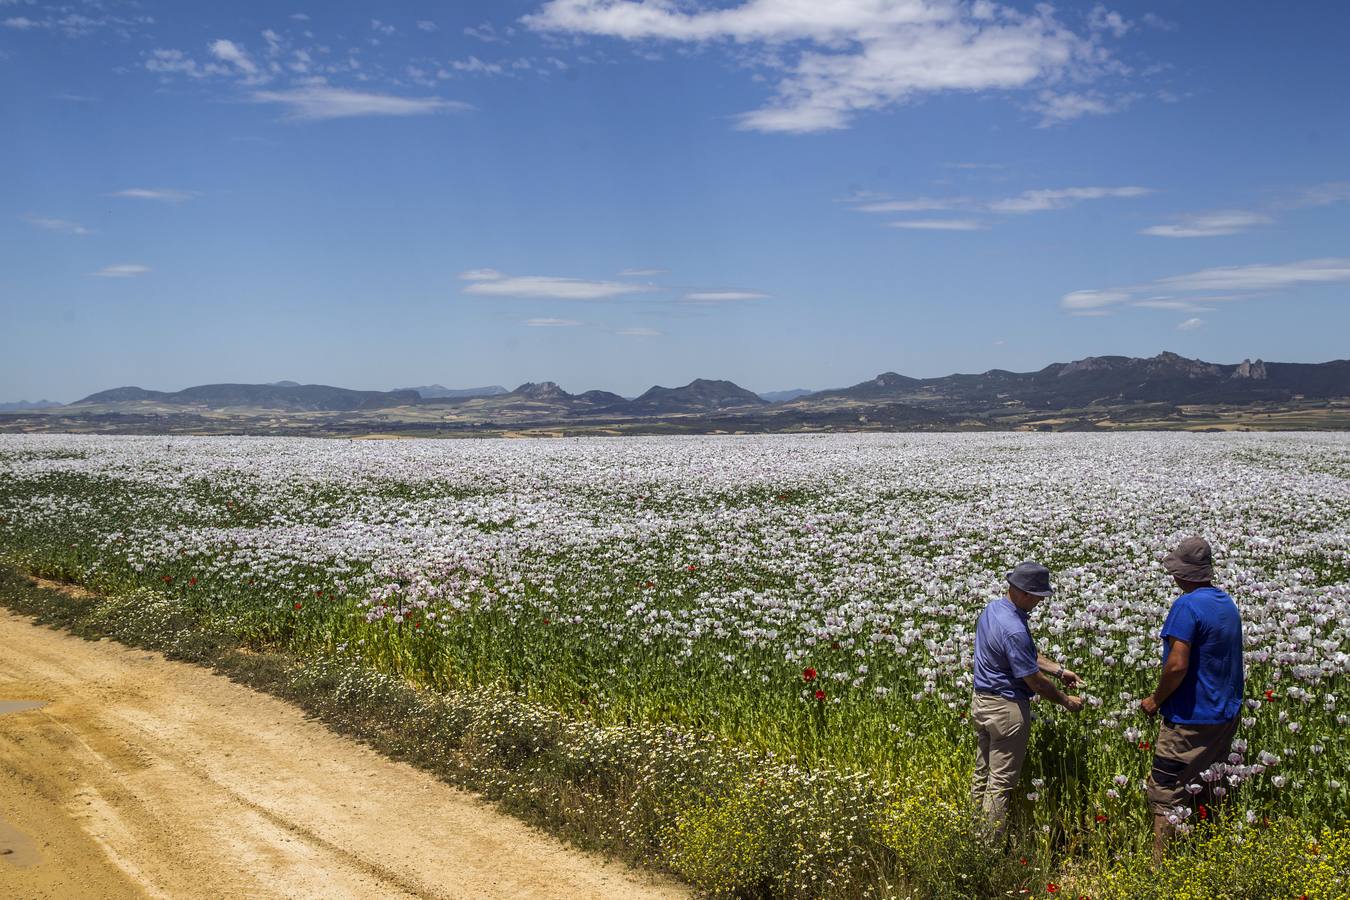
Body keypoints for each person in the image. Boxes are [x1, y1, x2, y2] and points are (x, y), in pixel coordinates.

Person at [1140, 536, 1244, 864]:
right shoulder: (1226, 603)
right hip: (1223, 716)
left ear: (1183, 573)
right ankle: (1207, 859)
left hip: (1189, 718)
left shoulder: (1186, 606)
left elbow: (1177, 664)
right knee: (1210, 788)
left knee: (1166, 791)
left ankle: (1159, 871)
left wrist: (1156, 700)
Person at [970, 561, 1084, 839]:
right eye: (1038, 597)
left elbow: (1023, 655)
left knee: (981, 776)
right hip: (1006, 711)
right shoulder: (1016, 629)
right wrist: (1065, 700)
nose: (1039, 602)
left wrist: (1058, 669)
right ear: (1025, 593)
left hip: (982, 703)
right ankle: (986, 850)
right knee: (1000, 785)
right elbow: (1032, 680)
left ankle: (969, 836)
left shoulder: (993, 610)